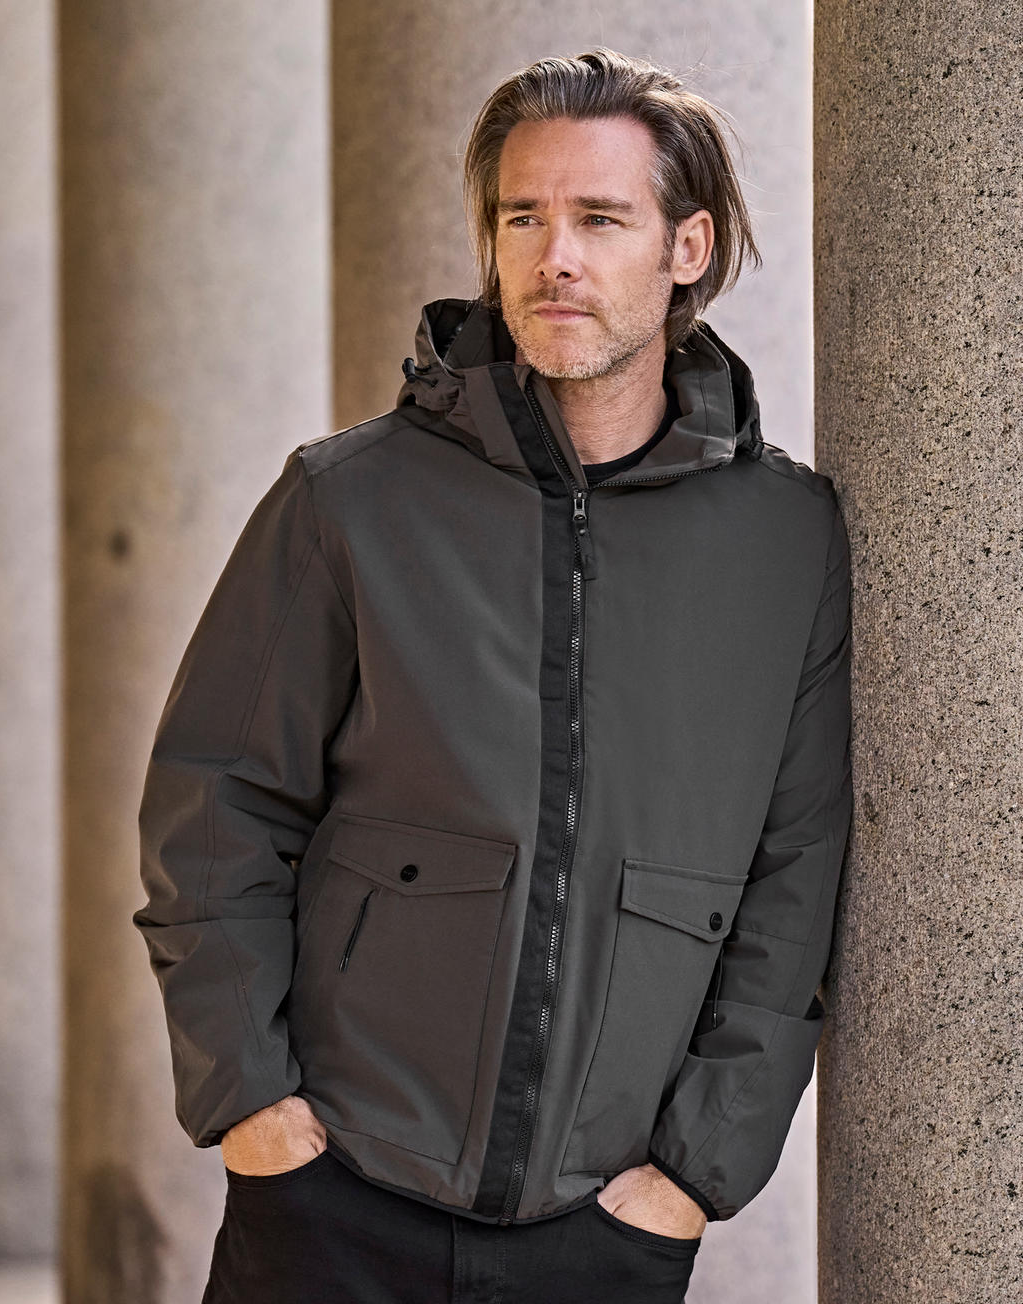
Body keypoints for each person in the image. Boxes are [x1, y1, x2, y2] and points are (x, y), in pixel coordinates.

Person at [133, 47, 852, 1304]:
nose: (552, 256)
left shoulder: (787, 543)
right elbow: (214, 802)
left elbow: (796, 876)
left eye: (599, 219)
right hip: (332, 1192)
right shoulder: (348, 500)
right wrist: (254, 1106)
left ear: (686, 248)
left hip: (607, 1224)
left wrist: (693, 1173)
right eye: (523, 217)